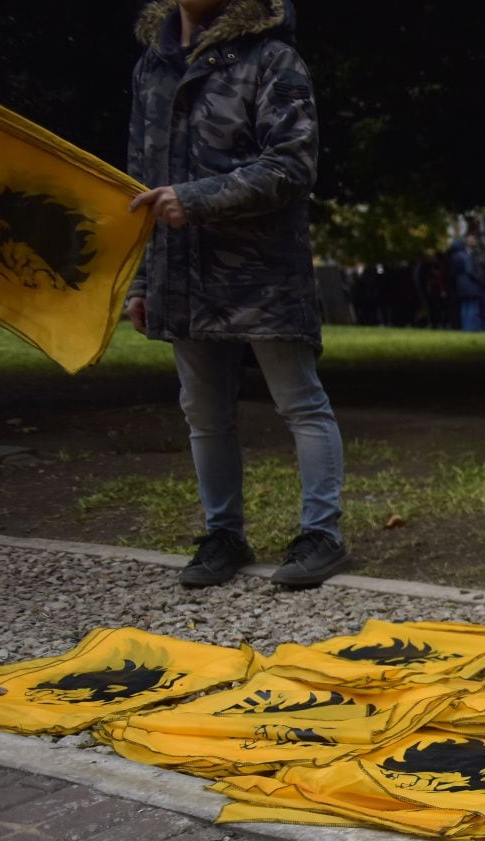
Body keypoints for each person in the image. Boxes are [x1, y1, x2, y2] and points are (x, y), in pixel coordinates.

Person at [124, 0, 348, 588]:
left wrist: (196, 199)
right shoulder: (152, 64)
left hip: (262, 269)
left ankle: (321, 534)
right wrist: (143, 280)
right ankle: (224, 535)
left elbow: (293, 165)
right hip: (181, 268)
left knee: (299, 401)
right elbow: (140, 180)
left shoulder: (272, 57)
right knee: (203, 413)